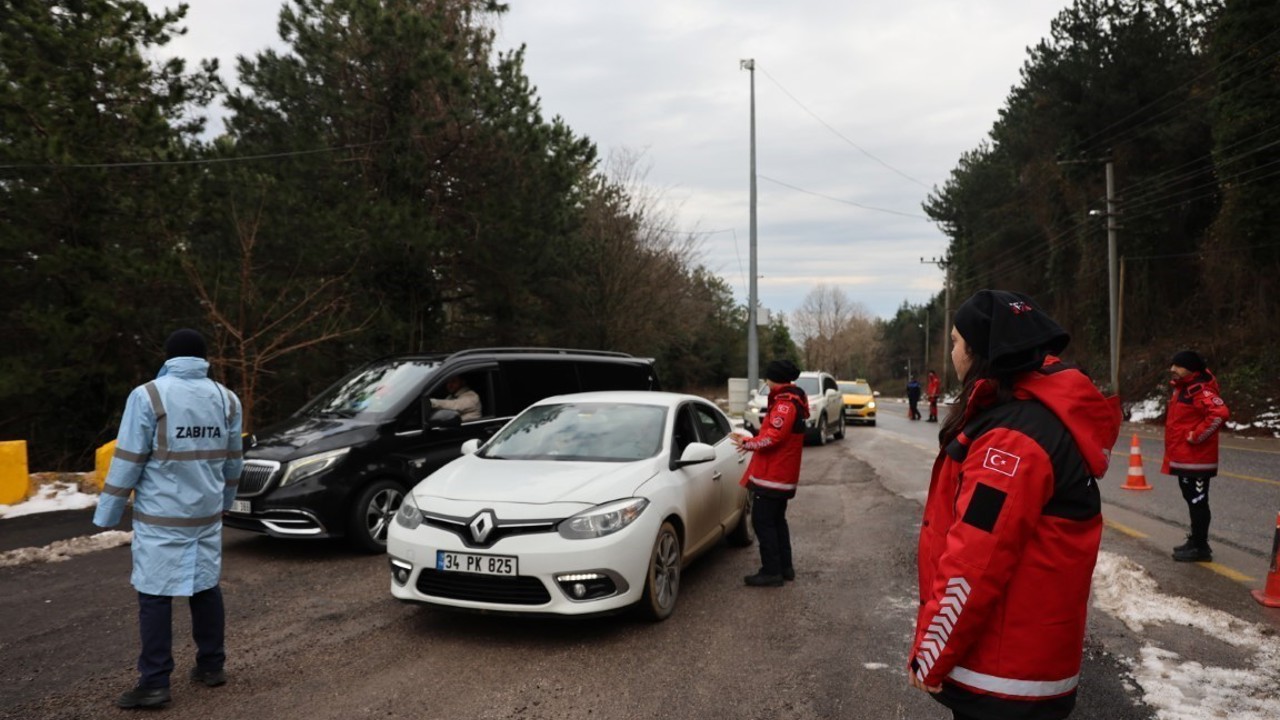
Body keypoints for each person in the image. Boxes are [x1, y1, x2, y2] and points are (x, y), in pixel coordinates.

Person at [907, 290, 1121, 720]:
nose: (951, 353)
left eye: (954, 342)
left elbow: (976, 560)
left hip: (1003, 676)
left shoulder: (1011, 442)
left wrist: (932, 651)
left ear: (980, 352)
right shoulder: (1032, 413)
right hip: (1023, 665)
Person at [93, 329, 244, 710]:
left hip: (162, 518)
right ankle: (212, 666)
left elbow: (128, 458)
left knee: (155, 595)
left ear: (169, 357)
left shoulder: (148, 395)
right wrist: (226, 501)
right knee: (205, 586)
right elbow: (233, 460)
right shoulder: (227, 399)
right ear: (203, 358)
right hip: (207, 515)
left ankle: (155, 682)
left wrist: (107, 513)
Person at [730, 359, 809, 587]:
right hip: (779, 475)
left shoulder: (784, 405)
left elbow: (773, 437)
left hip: (773, 475)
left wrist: (748, 442)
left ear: (774, 379)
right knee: (776, 521)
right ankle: (785, 568)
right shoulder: (789, 401)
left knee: (763, 522)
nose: (765, 381)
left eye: (768, 377)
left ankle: (771, 571)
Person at [1162, 349, 1229, 562]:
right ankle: (1196, 540)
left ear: (1191, 369)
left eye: (1178, 366)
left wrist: (1197, 436)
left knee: (1198, 501)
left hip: (1197, 461)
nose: (1172, 369)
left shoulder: (1200, 390)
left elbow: (1219, 414)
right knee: (1192, 500)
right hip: (1185, 459)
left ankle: (1201, 547)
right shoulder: (1184, 388)